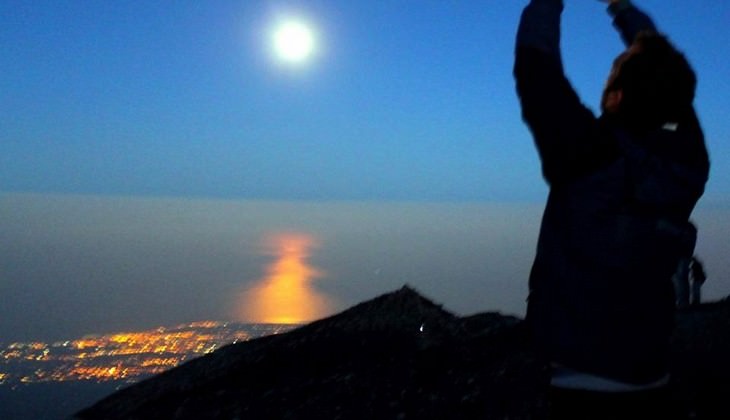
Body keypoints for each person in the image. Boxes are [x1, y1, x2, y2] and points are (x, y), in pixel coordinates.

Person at [514, 0, 710, 418]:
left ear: (615, 95)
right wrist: (622, 8)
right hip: (653, 376)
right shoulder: (689, 165)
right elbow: (667, 75)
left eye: (614, 71)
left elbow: (537, 70)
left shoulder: (589, 155)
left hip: (584, 390)